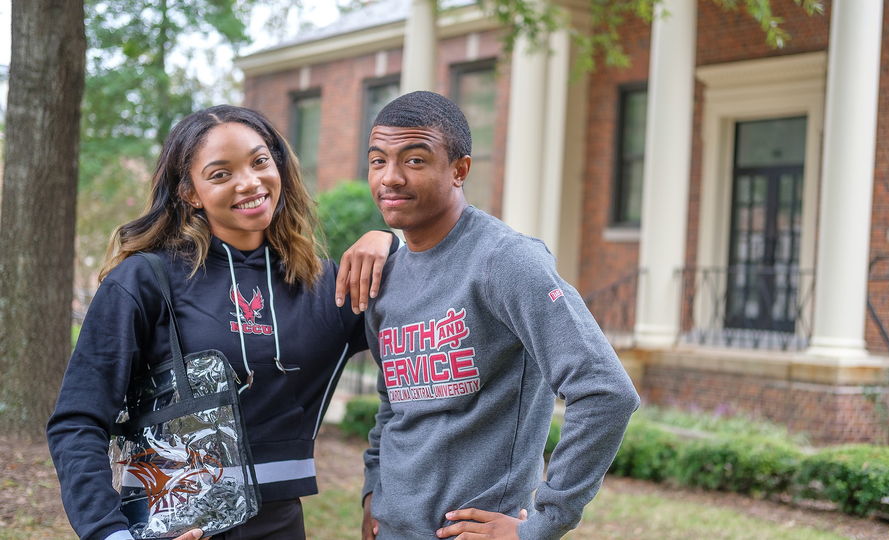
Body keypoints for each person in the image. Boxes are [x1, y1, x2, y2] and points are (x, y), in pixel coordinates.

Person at [47, 104, 397, 540]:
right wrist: (108, 533)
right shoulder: (144, 280)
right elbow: (77, 422)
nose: (249, 182)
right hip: (171, 523)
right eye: (220, 173)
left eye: (259, 161)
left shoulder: (327, 287)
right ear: (189, 192)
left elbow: (419, 366)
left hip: (280, 525)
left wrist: (393, 241)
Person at [360, 91, 641, 540]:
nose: (390, 178)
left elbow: (606, 391)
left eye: (414, 160)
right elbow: (392, 401)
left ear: (459, 170)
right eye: (378, 161)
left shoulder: (505, 261)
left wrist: (542, 525)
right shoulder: (384, 275)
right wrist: (374, 493)